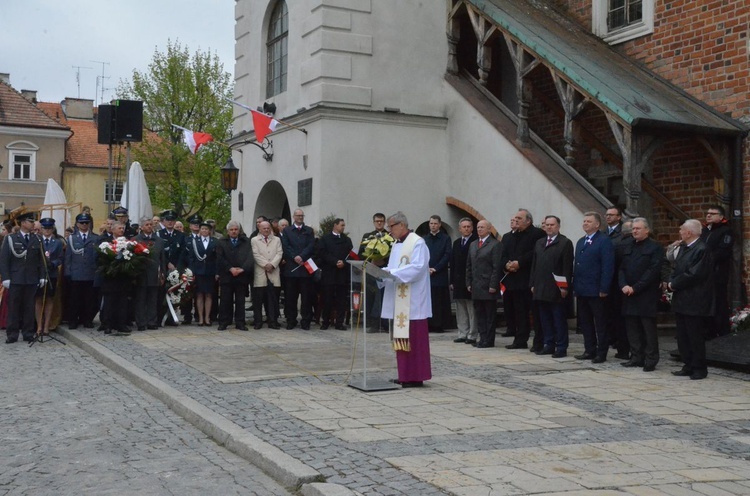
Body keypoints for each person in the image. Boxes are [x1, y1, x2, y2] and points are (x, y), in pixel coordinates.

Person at [380, 212, 432, 387]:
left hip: (413, 301)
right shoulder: (397, 245)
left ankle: (415, 376)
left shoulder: (417, 242)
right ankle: (405, 374)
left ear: (402, 225)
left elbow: (417, 268)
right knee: (401, 339)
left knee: (414, 341)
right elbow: (395, 267)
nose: (389, 230)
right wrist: (383, 273)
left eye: (391, 226)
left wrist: (392, 273)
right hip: (400, 299)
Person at [618, 218, 664, 372]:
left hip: (645, 294)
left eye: (638, 228)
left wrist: (635, 288)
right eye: (633, 229)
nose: (635, 231)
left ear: (647, 230)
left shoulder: (655, 247)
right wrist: (623, 285)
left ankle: (651, 359)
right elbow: (621, 268)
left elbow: (652, 271)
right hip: (628, 293)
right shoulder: (628, 245)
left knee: (647, 329)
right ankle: (636, 356)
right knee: (632, 327)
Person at [669, 219, 713, 380]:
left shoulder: (702, 249)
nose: (680, 232)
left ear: (688, 232)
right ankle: (687, 364)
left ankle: (699, 368)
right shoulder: (683, 248)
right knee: (683, 335)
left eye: (681, 230)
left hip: (695, 299)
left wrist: (674, 284)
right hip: (681, 298)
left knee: (695, 336)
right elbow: (676, 267)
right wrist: (671, 281)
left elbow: (695, 274)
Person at [500, 209, 546, 349]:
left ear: (528, 220)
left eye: (520, 218)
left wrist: (519, 263)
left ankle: (539, 342)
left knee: (535, 313)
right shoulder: (509, 236)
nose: (517, 220)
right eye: (515, 218)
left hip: (529, 279)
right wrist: (507, 265)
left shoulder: (537, 234)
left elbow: (535, 253)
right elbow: (503, 254)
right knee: (518, 312)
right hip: (512, 280)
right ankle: (520, 340)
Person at [572, 212, 614, 363]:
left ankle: (601, 352)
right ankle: (589, 349)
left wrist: (604, 288)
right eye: (584, 221)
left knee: (600, 323)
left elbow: (607, 266)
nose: (585, 223)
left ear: (597, 224)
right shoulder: (581, 241)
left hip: (597, 290)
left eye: (588, 221)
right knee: (585, 322)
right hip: (582, 289)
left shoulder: (603, 241)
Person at [530, 215, 574, 357]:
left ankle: (561, 347)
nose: (549, 227)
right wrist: (532, 283)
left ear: (558, 226)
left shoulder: (564, 243)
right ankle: (548, 344)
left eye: (552, 225)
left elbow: (567, 267)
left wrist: (564, 287)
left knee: (558, 319)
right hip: (540, 287)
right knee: (545, 319)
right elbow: (534, 265)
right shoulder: (539, 242)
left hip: (556, 288)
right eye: (547, 225)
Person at [0, 212, 45, 343]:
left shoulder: (37, 239)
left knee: (29, 307)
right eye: (31, 221)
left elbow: (41, 260)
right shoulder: (11, 238)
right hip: (15, 278)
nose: (33, 224)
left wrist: (42, 276)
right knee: (13, 307)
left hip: (31, 278)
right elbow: (4, 260)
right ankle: (12, 334)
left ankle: (28, 332)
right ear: (23, 223)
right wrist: (6, 277)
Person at [466, 219, 503, 349]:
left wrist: (493, 285)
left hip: (488, 286)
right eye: (478, 227)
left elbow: (496, 267)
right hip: (476, 285)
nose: (479, 229)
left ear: (489, 229)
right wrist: (468, 282)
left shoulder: (494, 244)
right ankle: (482, 337)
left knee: (489, 315)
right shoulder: (473, 244)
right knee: (479, 314)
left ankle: (489, 339)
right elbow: (469, 265)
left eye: (482, 227)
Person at [701, 205, 733, 338]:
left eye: (712, 213)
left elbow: (722, 251)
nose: (708, 215)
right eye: (708, 213)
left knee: (719, 302)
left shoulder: (726, 232)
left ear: (720, 217)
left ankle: (723, 331)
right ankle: (709, 330)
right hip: (704, 274)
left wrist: (704, 260)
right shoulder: (705, 231)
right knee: (707, 302)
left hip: (718, 273)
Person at [64, 213, 100, 330]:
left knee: (89, 299)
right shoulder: (72, 238)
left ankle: (87, 320)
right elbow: (68, 257)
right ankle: (73, 320)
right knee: (74, 299)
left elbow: (97, 257)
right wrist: (67, 272)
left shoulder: (95, 238)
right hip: (76, 272)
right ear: (77, 224)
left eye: (86, 223)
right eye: (82, 223)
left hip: (90, 272)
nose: (84, 225)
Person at [281, 209, 316, 330]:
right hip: (292, 269)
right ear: (294, 216)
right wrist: (294, 256)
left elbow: (311, 246)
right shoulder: (287, 230)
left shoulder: (309, 231)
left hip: (305, 269)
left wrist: (302, 256)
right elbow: (285, 246)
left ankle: (305, 321)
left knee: (306, 298)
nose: (300, 217)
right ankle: (291, 320)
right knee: (291, 298)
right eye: (298, 215)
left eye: (302, 215)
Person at [216, 220, 252, 331]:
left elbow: (250, 257)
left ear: (239, 230)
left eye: (236, 229)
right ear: (228, 231)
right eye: (231, 230)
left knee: (240, 301)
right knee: (225, 300)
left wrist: (242, 269)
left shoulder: (246, 241)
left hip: (241, 275)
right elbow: (219, 258)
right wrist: (230, 268)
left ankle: (240, 322)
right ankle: (224, 321)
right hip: (227, 275)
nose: (234, 231)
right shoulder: (221, 242)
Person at [317, 218, 353, 330]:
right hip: (329, 272)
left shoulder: (347, 240)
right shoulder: (325, 239)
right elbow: (322, 253)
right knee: (327, 298)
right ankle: (325, 322)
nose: (343, 227)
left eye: (344, 225)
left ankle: (339, 322)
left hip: (342, 273)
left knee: (341, 299)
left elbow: (351, 254)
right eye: (341, 225)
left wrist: (344, 262)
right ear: (335, 225)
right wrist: (335, 261)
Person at [99, 221, 133, 335]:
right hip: (110, 277)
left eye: (123, 228)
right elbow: (100, 259)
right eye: (119, 228)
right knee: (109, 302)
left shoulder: (129, 243)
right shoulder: (106, 243)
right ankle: (107, 324)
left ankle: (121, 324)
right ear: (112, 230)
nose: (122, 230)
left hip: (123, 277)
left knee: (123, 302)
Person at [358, 212, 390, 333]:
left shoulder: (389, 236)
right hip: (371, 270)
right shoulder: (368, 236)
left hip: (385, 270)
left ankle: (386, 323)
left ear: (385, 222)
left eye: (381, 221)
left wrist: (383, 259)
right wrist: (370, 259)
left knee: (384, 297)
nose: (379, 223)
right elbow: (361, 252)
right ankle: (373, 323)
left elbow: (392, 252)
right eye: (377, 221)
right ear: (374, 222)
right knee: (370, 297)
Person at [134, 218, 166, 331]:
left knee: (153, 300)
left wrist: (163, 274)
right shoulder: (135, 240)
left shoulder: (159, 241)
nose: (149, 226)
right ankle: (141, 322)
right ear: (141, 227)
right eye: (146, 225)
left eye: (151, 224)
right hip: (141, 274)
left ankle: (152, 321)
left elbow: (162, 259)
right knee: (140, 300)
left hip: (154, 274)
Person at [251, 221, 282, 329]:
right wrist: (265, 264)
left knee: (272, 299)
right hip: (260, 272)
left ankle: (272, 321)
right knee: (258, 299)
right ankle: (258, 321)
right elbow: (255, 254)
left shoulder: (277, 239)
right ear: (259, 229)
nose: (266, 230)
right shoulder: (254, 240)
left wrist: (272, 264)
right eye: (264, 228)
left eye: (268, 228)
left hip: (273, 271)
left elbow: (279, 253)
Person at [450, 217, 477, 344]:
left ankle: (472, 334)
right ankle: (462, 333)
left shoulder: (475, 241)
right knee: (460, 309)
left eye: (468, 226)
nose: (466, 229)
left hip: (469, 280)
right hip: (458, 280)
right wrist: (451, 281)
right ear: (459, 229)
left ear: (472, 228)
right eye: (464, 227)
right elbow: (453, 263)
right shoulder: (456, 243)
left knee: (471, 309)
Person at [35, 218, 64, 335]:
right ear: (41, 229)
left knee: (49, 299)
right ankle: (39, 326)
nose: (47, 230)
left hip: (51, 274)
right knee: (38, 300)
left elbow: (61, 258)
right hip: (38, 275)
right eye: (44, 228)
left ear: (52, 229)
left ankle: (47, 325)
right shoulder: (37, 241)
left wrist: (53, 264)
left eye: (49, 228)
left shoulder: (57, 242)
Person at [157, 210, 186, 326]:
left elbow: (183, 253)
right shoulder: (159, 234)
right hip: (164, 268)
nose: (170, 222)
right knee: (161, 294)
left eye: (172, 220)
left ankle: (171, 317)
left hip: (176, 269)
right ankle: (159, 318)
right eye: (167, 220)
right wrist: (168, 263)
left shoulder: (180, 235)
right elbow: (160, 252)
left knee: (175, 293)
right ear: (163, 222)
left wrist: (177, 267)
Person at [424, 215, 451, 334]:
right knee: (428, 300)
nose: (433, 225)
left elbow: (447, 255)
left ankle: (439, 324)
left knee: (439, 300)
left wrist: (436, 268)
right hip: (426, 274)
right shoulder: (424, 239)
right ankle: (429, 324)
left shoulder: (445, 238)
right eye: (431, 223)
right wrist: (426, 268)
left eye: (435, 223)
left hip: (439, 274)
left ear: (439, 225)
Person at [187, 221, 218, 327]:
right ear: (200, 230)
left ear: (210, 231)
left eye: (206, 229)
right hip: (198, 271)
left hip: (210, 271)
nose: (204, 231)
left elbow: (217, 258)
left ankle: (207, 317)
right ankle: (200, 318)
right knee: (199, 294)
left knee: (209, 294)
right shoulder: (195, 241)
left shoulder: (215, 241)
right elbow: (191, 258)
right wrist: (192, 272)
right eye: (202, 229)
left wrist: (217, 272)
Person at [181, 214, 202, 325]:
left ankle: (199, 315)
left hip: (201, 270)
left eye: (198, 224)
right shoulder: (186, 239)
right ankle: (187, 315)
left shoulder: (203, 239)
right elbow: (183, 255)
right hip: (188, 270)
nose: (196, 225)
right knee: (187, 294)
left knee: (200, 293)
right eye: (194, 224)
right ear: (190, 226)